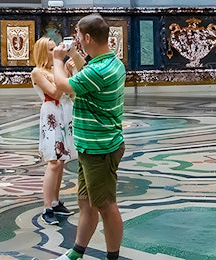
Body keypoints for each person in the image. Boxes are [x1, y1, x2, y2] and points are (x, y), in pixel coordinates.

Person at [52, 14, 126, 260]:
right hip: (90, 145)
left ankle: (112, 257)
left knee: (106, 206)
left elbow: (63, 85)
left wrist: (57, 60)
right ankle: (77, 251)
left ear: (86, 37)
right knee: (86, 202)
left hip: (100, 148)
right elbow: (88, 74)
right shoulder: (110, 63)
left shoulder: (99, 70)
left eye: (78, 36)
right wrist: (74, 55)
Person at [31, 36, 77, 225]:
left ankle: (56, 202)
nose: (55, 51)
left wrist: (71, 71)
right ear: (42, 52)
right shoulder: (37, 72)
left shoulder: (56, 70)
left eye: (55, 48)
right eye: (51, 49)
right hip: (51, 116)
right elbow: (56, 92)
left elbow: (72, 91)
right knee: (53, 162)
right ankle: (47, 207)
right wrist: (63, 71)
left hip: (65, 113)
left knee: (61, 161)